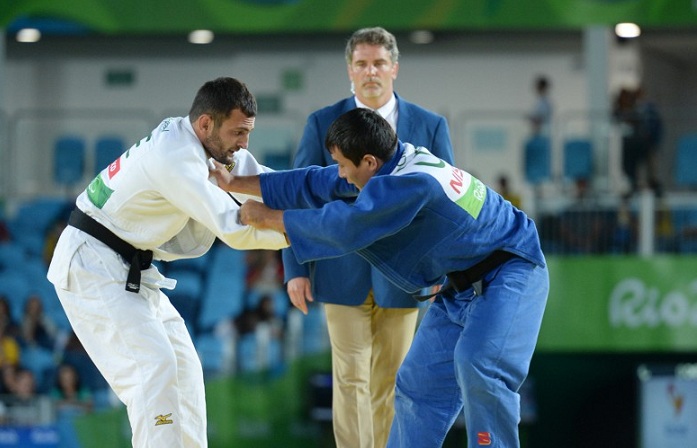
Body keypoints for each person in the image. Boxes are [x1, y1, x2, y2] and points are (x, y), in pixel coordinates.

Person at [210, 108, 549, 447]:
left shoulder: (410, 183)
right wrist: (234, 182)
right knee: (418, 383)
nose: (341, 174)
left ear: (369, 162)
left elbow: (345, 226)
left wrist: (268, 218)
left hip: (511, 270)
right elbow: (314, 181)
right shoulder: (391, 162)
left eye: (344, 165)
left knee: (479, 365)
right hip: (461, 284)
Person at [46, 77, 289, 447]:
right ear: (206, 123)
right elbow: (235, 227)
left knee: (185, 371)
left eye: (248, 133)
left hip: (131, 266)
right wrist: (309, 230)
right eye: (238, 132)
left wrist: (322, 193)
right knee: (153, 368)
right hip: (92, 264)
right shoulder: (176, 156)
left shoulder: (207, 145)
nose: (244, 143)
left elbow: (258, 181)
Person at [283, 26, 454, 448]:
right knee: (349, 376)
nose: (370, 71)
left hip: (406, 275)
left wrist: (440, 272)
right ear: (350, 70)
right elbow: (298, 197)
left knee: (392, 380)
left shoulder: (430, 126)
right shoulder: (321, 123)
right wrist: (295, 269)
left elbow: (444, 208)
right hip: (340, 268)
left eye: (379, 63)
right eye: (361, 63)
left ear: (394, 68)